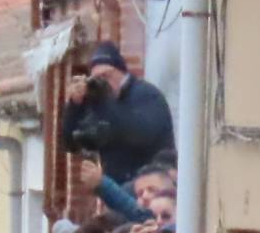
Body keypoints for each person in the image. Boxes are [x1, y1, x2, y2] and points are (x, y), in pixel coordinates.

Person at [59, 43, 176, 191]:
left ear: (122, 73)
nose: (102, 82)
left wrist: (105, 101)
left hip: (154, 190)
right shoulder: (101, 103)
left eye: (106, 76)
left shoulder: (147, 95)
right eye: (96, 78)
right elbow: (71, 143)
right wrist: (75, 106)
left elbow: (139, 134)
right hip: (118, 192)